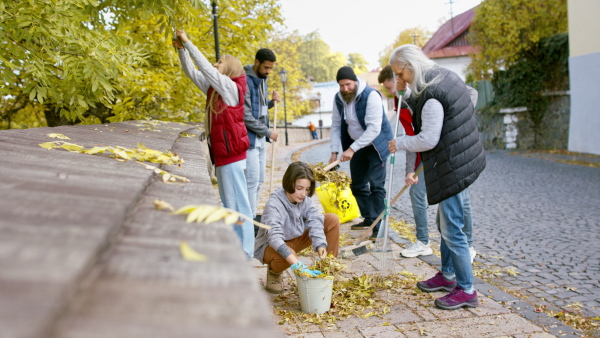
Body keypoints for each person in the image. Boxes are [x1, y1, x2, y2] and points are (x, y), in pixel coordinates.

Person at [388, 44, 486, 310]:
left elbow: (429, 139)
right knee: (447, 223)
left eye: (400, 73)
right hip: (461, 158)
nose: (399, 79)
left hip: (452, 165)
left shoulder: (431, 94)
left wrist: (401, 142)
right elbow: (469, 97)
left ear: (410, 66)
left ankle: (466, 290)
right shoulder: (445, 74)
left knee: (452, 228)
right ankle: (448, 274)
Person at [378, 65, 477, 262]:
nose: (390, 92)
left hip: (450, 150)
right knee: (416, 192)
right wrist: (410, 170)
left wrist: (453, 122)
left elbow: (471, 93)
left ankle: (468, 245)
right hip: (425, 151)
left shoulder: (424, 88)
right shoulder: (401, 103)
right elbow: (411, 135)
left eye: (390, 87)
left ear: (401, 78)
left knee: (458, 196)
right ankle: (423, 242)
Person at [173, 30, 254, 259]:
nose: (215, 65)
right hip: (222, 155)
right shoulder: (214, 91)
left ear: (229, 69)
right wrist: (181, 50)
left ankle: (245, 252)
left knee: (239, 205)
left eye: (220, 62)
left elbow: (206, 69)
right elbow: (192, 72)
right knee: (230, 205)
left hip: (232, 156)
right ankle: (236, 248)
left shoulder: (230, 88)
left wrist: (188, 42)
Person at [254, 162, 340, 294]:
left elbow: (315, 221)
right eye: (299, 188)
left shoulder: (305, 199)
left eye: (307, 189)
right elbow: (275, 238)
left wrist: (321, 246)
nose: (303, 194)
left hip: (296, 238)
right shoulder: (274, 204)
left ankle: (328, 268)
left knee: (332, 220)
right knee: (287, 256)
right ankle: (274, 272)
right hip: (271, 246)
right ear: (289, 183)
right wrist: (298, 265)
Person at [329, 66, 393, 240]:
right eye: (341, 86)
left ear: (355, 82)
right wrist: (334, 151)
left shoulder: (371, 95)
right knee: (357, 185)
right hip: (356, 146)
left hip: (376, 144)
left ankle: (378, 226)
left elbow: (374, 129)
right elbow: (335, 125)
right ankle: (369, 218)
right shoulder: (338, 98)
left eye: (348, 85)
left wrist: (351, 149)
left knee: (376, 185)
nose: (345, 89)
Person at [243, 49, 280, 224]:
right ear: (256, 62)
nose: (268, 71)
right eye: (266, 67)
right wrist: (268, 132)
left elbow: (260, 110)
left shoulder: (262, 81)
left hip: (261, 140)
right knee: (251, 182)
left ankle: (252, 214)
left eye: (271, 68)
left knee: (260, 181)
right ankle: (249, 220)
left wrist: (272, 102)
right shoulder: (245, 80)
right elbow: (246, 115)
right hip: (249, 140)